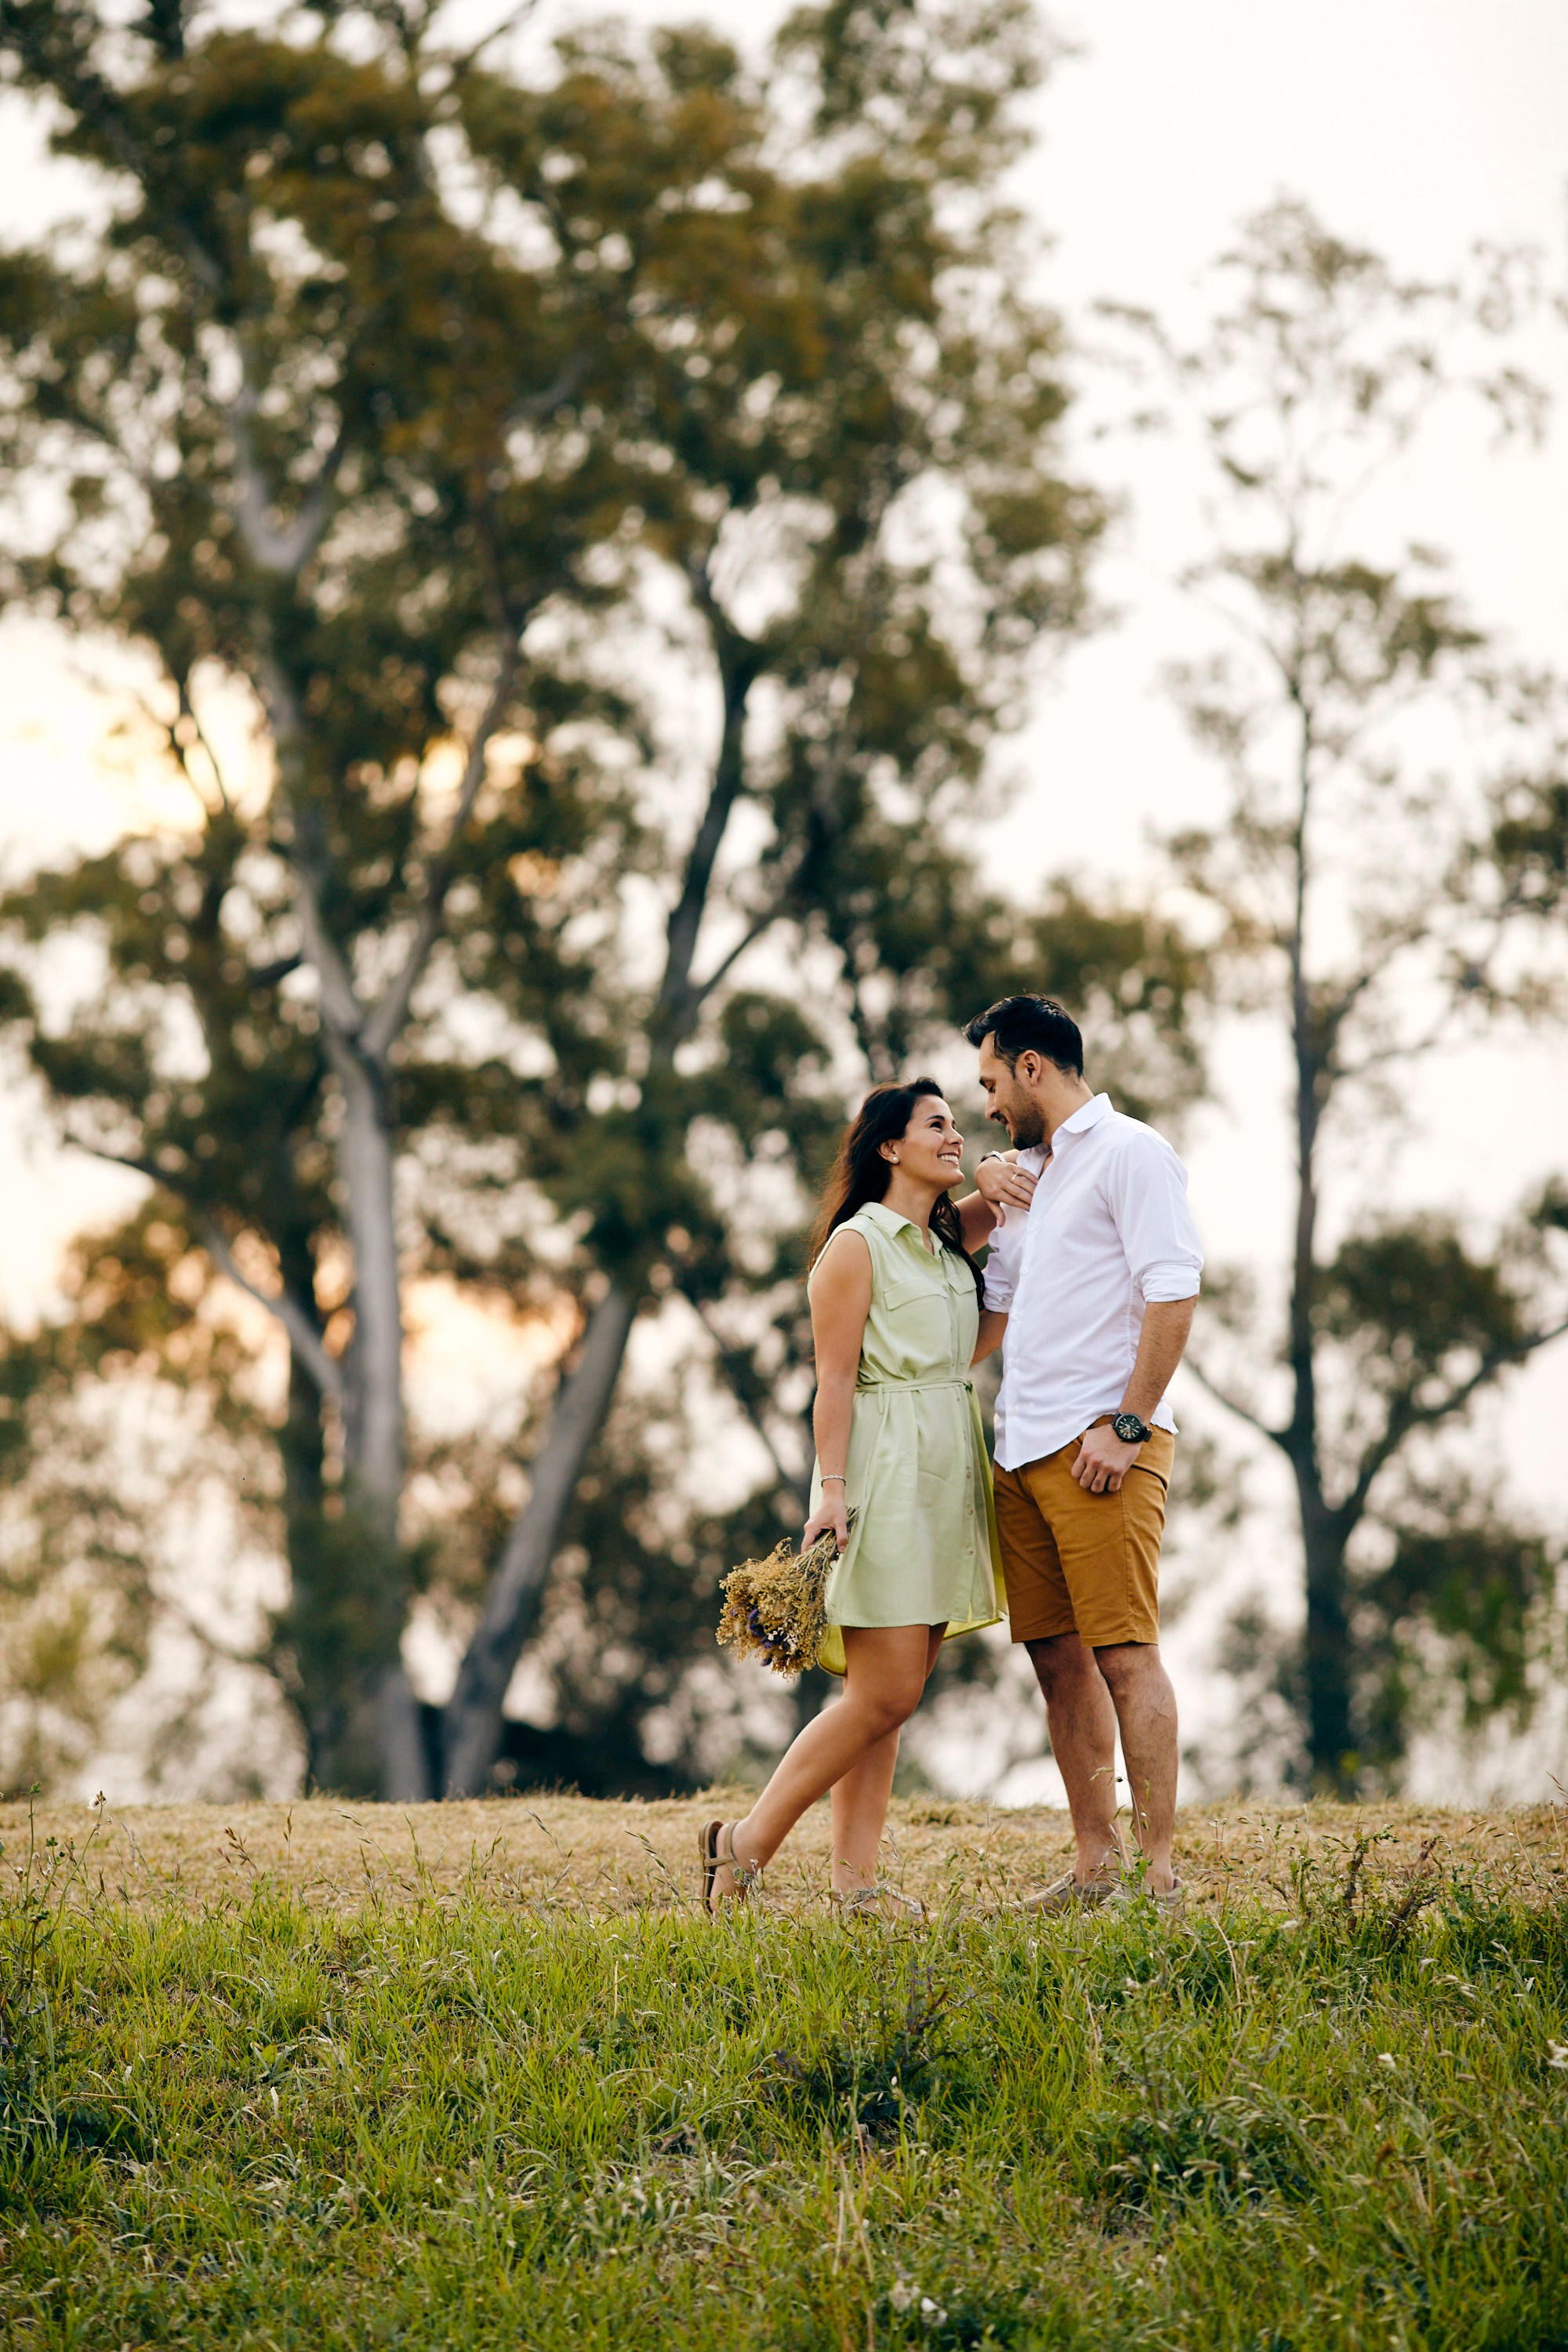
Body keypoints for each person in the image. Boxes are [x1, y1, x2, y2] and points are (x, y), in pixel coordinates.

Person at [700, 1079, 1004, 1918]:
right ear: (887, 1147)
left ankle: (854, 1890)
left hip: (948, 1465)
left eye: (956, 1123)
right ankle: (744, 1844)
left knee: (880, 1704)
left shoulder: (944, 1249)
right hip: (879, 1470)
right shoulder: (854, 1247)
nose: (954, 1135)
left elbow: (967, 1332)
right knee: (883, 1695)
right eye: (935, 1125)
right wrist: (830, 1493)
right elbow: (831, 1382)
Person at [956, 995, 1203, 1915]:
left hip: (1102, 1448)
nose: (986, 1104)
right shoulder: (1020, 1177)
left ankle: (1156, 1878)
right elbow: (997, 1313)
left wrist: (1127, 1425)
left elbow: (1172, 1291)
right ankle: (1095, 1869)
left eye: (989, 1082)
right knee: (1057, 1661)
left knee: (1125, 1655)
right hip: (1020, 1450)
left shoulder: (1132, 1152)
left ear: (1031, 1067)